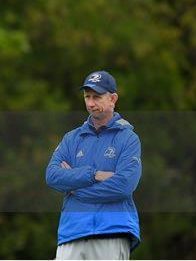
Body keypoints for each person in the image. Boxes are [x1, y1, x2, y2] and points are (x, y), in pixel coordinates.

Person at [46, 70, 142, 260]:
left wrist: (75, 189)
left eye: (96, 97)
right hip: (72, 232)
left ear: (113, 98)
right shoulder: (71, 138)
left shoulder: (128, 138)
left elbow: (123, 185)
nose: (90, 103)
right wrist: (94, 174)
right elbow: (52, 176)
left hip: (113, 231)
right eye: (87, 97)